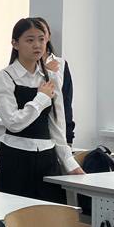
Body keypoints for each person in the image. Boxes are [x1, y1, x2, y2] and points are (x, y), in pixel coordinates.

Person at [0, 18, 82, 200]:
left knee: (52, 211)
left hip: (47, 157)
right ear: (15, 44)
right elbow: (13, 123)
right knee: (16, 213)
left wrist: (69, 161)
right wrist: (41, 98)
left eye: (41, 39)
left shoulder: (50, 77)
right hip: (15, 158)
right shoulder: (4, 77)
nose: (37, 45)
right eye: (30, 40)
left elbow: (57, 123)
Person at [36, 17, 76, 146]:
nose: (37, 42)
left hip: (59, 130)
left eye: (42, 35)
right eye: (31, 38)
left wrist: (69, 136)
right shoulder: (25, 66)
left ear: (48, 36)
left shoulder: (61, 64)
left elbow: (66, 101)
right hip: (35, 131)